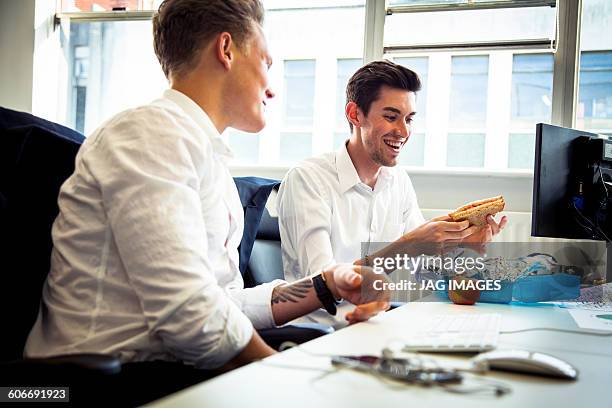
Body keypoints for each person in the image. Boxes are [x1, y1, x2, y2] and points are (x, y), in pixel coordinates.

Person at [24, 0, 389, 370]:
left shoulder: (208, 158)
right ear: (226, 49)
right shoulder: (149, 135)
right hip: (105, 380)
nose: (272, 89)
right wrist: (284, 378)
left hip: (165, 363)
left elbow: (223, 303)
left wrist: (327, 284)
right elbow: (191, 315)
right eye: (265, 64)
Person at [277, 60, 507, 328]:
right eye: (390, 116)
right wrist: (409, 245)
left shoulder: (398, 180)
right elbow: (323, 285)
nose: (404, 131)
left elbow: (426, 273)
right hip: (321, 330)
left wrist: (470, 250)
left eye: (409, 119)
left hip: (378, 324)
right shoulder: (307, 179)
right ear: (354, 114)